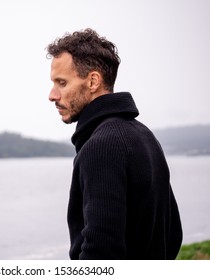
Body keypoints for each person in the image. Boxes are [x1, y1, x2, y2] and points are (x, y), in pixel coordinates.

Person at [46, 28, 183, 260]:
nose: (52, 95)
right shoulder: (144, 135)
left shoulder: (102, 147)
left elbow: (101, 254)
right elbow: (173, 234)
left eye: (62, 83)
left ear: (93, 81)